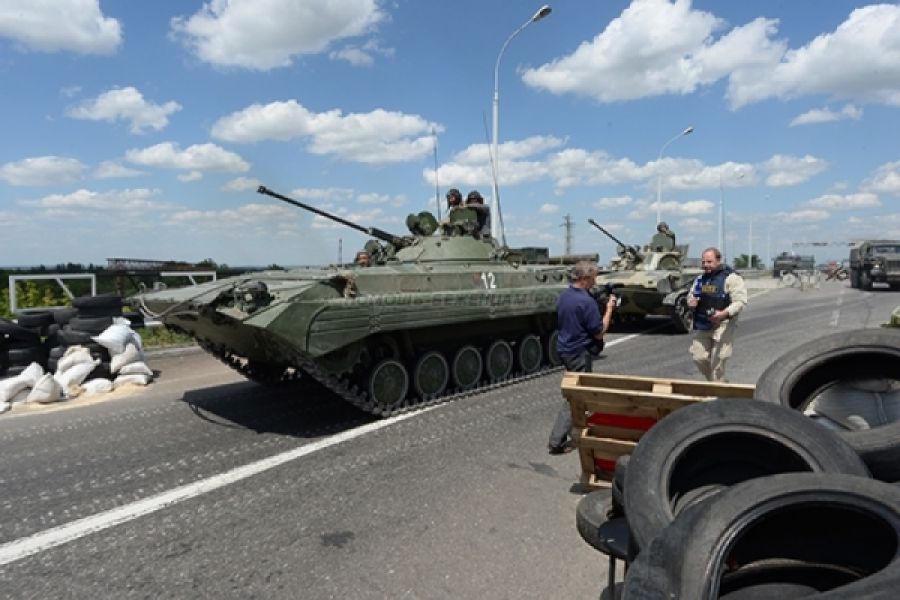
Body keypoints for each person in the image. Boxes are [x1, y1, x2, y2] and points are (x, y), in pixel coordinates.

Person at [548, 261, 617, 455]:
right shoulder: (586, 302)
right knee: (575, 397)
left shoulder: (565, 296)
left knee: (577, 393)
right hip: (579, 353)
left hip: (565, 349)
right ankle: (556, 441)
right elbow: (599, 332)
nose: (595, 281)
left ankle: (576, 431)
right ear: (585, 278)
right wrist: (609, 309)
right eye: (593, 277)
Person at [686, 247, 748, 382]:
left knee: (718, 360)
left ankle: (717, 388)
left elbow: (740, 302)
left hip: (723, 324)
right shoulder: (700, 279)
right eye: (703, 262)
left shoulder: (731, 278)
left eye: (709, 262)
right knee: (698, 357)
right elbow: (691, 296)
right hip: (704, 323)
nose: (705, 265)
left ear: (718, 261)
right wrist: (691, 302)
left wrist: (724, 313)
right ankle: (715, 383)